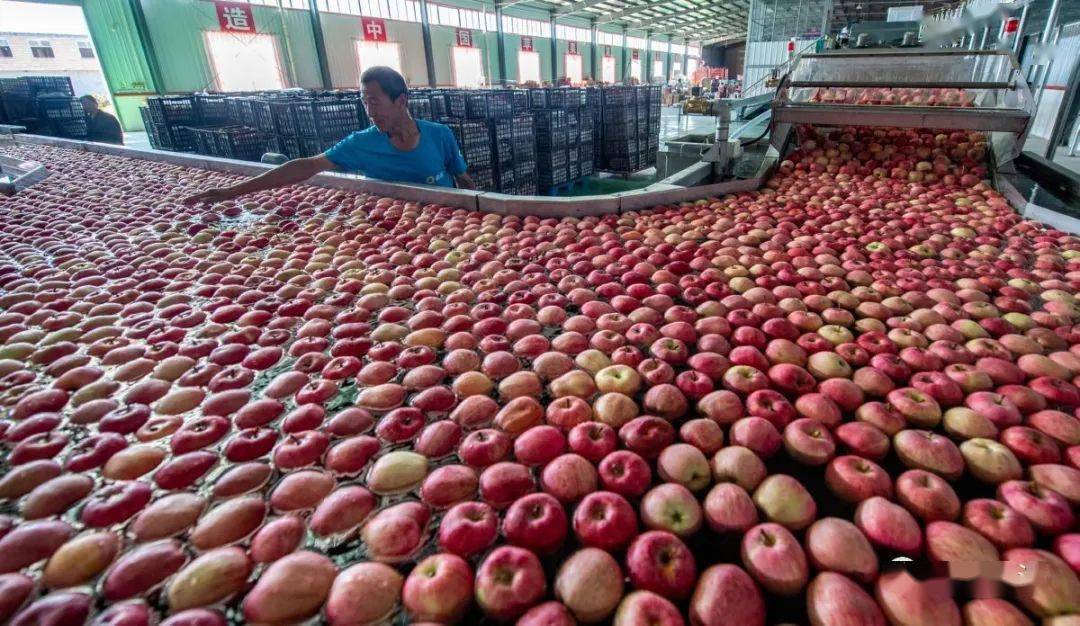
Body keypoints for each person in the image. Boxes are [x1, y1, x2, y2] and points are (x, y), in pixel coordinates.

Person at [183, 66, 473, 205]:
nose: (368, 110)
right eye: (363, 101)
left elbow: (463, 179)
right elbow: (306, 166)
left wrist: (477, 206)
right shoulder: (361, 144)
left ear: (401, 101)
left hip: (442, 220)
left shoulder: (439, 135)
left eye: (374, 101)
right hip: (393, 225)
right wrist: (233, 192)